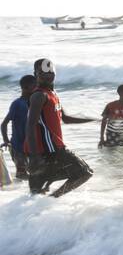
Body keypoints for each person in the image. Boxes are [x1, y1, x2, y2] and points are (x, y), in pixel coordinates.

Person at [24, 59, 95, 197]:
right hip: (49, 149)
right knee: (84, 172)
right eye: (42, 72)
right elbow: (30, 126)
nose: (47, 75)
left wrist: (95, 119)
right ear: (35, 74)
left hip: (49, 149)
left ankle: (45, 191)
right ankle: (52, 198)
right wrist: (34, 156)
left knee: (36, 193)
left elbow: (66, 119)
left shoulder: (53, 94)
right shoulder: (39, 95)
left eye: (50, 72)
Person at [1, 75, 35, 179]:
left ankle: (29, 192)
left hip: (31, 146)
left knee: (35, 172)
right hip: (17, 146)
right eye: (34, 86)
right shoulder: (17, 104)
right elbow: (4, 124)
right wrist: (7, 141)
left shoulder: (35, 103)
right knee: (22, 174)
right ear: (25, 87)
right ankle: (19, 193)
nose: (37, 88)